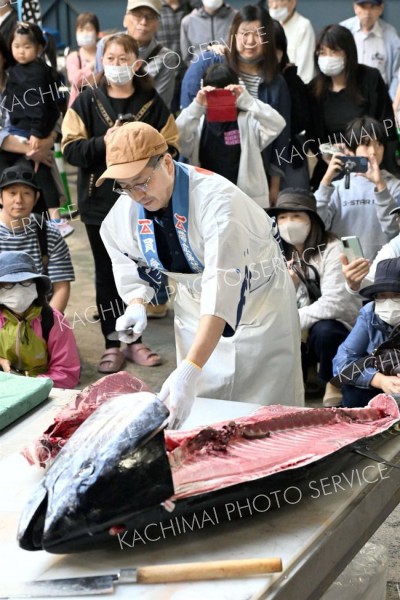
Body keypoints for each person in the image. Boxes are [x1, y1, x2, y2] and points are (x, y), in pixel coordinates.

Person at [98, 122, 304, 429]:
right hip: (194, 305)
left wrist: (189, 369)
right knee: (202, 410)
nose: (135, 195)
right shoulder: (129, 204)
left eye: (141, 182)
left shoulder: (219, 203)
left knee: (266, 410)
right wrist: (136, 302)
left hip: (259, 304)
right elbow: (121, 252)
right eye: (124, 186)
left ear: (167, 162)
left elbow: (222, 288)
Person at [62, 34, 179, 374]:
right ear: (102, 62)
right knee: (106, 275)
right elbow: (70, 149)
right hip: (99, 204)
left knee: (140, 269)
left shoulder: (151, 102)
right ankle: (113, 343)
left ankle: (136, 340)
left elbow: (171, 147)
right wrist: (105, 142)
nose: (116, 65)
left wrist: (140, 147)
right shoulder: (87, 100)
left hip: (144, 202)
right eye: (110, 59)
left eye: (122, 58)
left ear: (135, 62)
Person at [180, 4, 291, 205]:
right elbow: (184, 123)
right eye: (244, 33)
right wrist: (198, 105)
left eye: (258, 34)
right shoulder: (208, 61)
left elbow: (280, 132)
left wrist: (274, 185)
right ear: (233, 34)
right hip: (205, 171)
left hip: (251, 166)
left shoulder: (275, 82)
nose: (250, 41)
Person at [268, 189, 361, 407]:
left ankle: (334, 381)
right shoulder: (276, 251)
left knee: (325, 330)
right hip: (300, 326)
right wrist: (288, 285)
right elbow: (269, 299)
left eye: (296, 216)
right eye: (282, 217)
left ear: (312, 220)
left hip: (340, 324)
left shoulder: (334, 248)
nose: (289, 223)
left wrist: (288, 320)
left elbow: (334, 305)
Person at [176, 63, 286, 207]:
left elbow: (278, 123)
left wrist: (246, 100)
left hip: (245, 198)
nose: (220, 98)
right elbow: (177, 135)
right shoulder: (197, 123)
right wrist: (197, 105)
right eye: (215, 94)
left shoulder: (248, 122)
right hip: (208, 197)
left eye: (225, 93)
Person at [307, 23, 398, 190]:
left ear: (348, 54)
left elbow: (387, 126)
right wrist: (325, 155)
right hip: (332, 166)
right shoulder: (313, 90)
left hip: (371, 163)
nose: (328, 57)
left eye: (334, 52)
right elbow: (313, 135)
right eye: (322, 53)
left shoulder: (370, 79)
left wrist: (364, 153)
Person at [315, 116, 400, 261]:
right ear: (350, 150)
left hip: (385, 268)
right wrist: (325, 181)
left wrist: (380, 186)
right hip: (346, 266)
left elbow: (395, 232)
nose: (373, 151)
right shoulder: (337, 188)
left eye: (379, 144)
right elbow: (318, 227)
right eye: (366, 144)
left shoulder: (394, 186)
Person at [0, 164, 74, 314]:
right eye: (12, 193)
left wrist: (46, 326)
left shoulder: (48, 233)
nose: (19, 200)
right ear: (0, 197)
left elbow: (61, 287)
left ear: (36, 197)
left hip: (40, 315)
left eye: (26, 193)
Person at [0, 251, 80, 388]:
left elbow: (67, 373)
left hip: (44, 388)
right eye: (9, 284)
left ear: (36, 285)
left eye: (25, 282)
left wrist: (30, 383)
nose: (18, 290)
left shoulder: (54, 321)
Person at [333, 257, 400, 407]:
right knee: (353, 389)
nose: (388, 302)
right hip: (382, 383)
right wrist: (379, 380)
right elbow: (341, 363)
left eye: (396, 295)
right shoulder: (370, 315)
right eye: (382, 296)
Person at [95, 0, 177, 108]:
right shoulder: (105, 45)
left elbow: (161, 105)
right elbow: (98, 90)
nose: (143, 22)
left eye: (150, 16)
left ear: (158, 24)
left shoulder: (167, 58)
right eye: (137, 15)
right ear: (125, 19)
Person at [272, 18, 311, 188]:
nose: (273, 55)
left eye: (278, 49)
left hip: (289, 155)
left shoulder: (291, 79)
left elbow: (302, 121)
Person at [341, 0, 400, 100]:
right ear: (355, 7)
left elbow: (396, 74)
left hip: (379, 94)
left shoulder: (391, 35)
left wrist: (390, 101)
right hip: (349, 92)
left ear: (381, 9)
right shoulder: (343, 30)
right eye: (363, 6)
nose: (368, 12)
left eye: (373, 6)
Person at [266, 0, 315, 84]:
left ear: (292, 2)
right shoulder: (266, 26)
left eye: (279, 1)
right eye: (270, 1)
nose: (274, 6)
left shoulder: (303, 26)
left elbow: (304, 71)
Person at [180, 0, 236, 64]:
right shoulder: (188, 21)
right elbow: (186, 56)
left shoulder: (236, 18)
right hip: (200, 70)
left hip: (230, 70)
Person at [66, 12, 100, 107]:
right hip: (79, 107)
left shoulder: (106, 55)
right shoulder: (74, 57)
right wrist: (94, 64)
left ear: (97, 33)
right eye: (81, 30)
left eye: (89, 29)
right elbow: (75, 80)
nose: (85, 33)